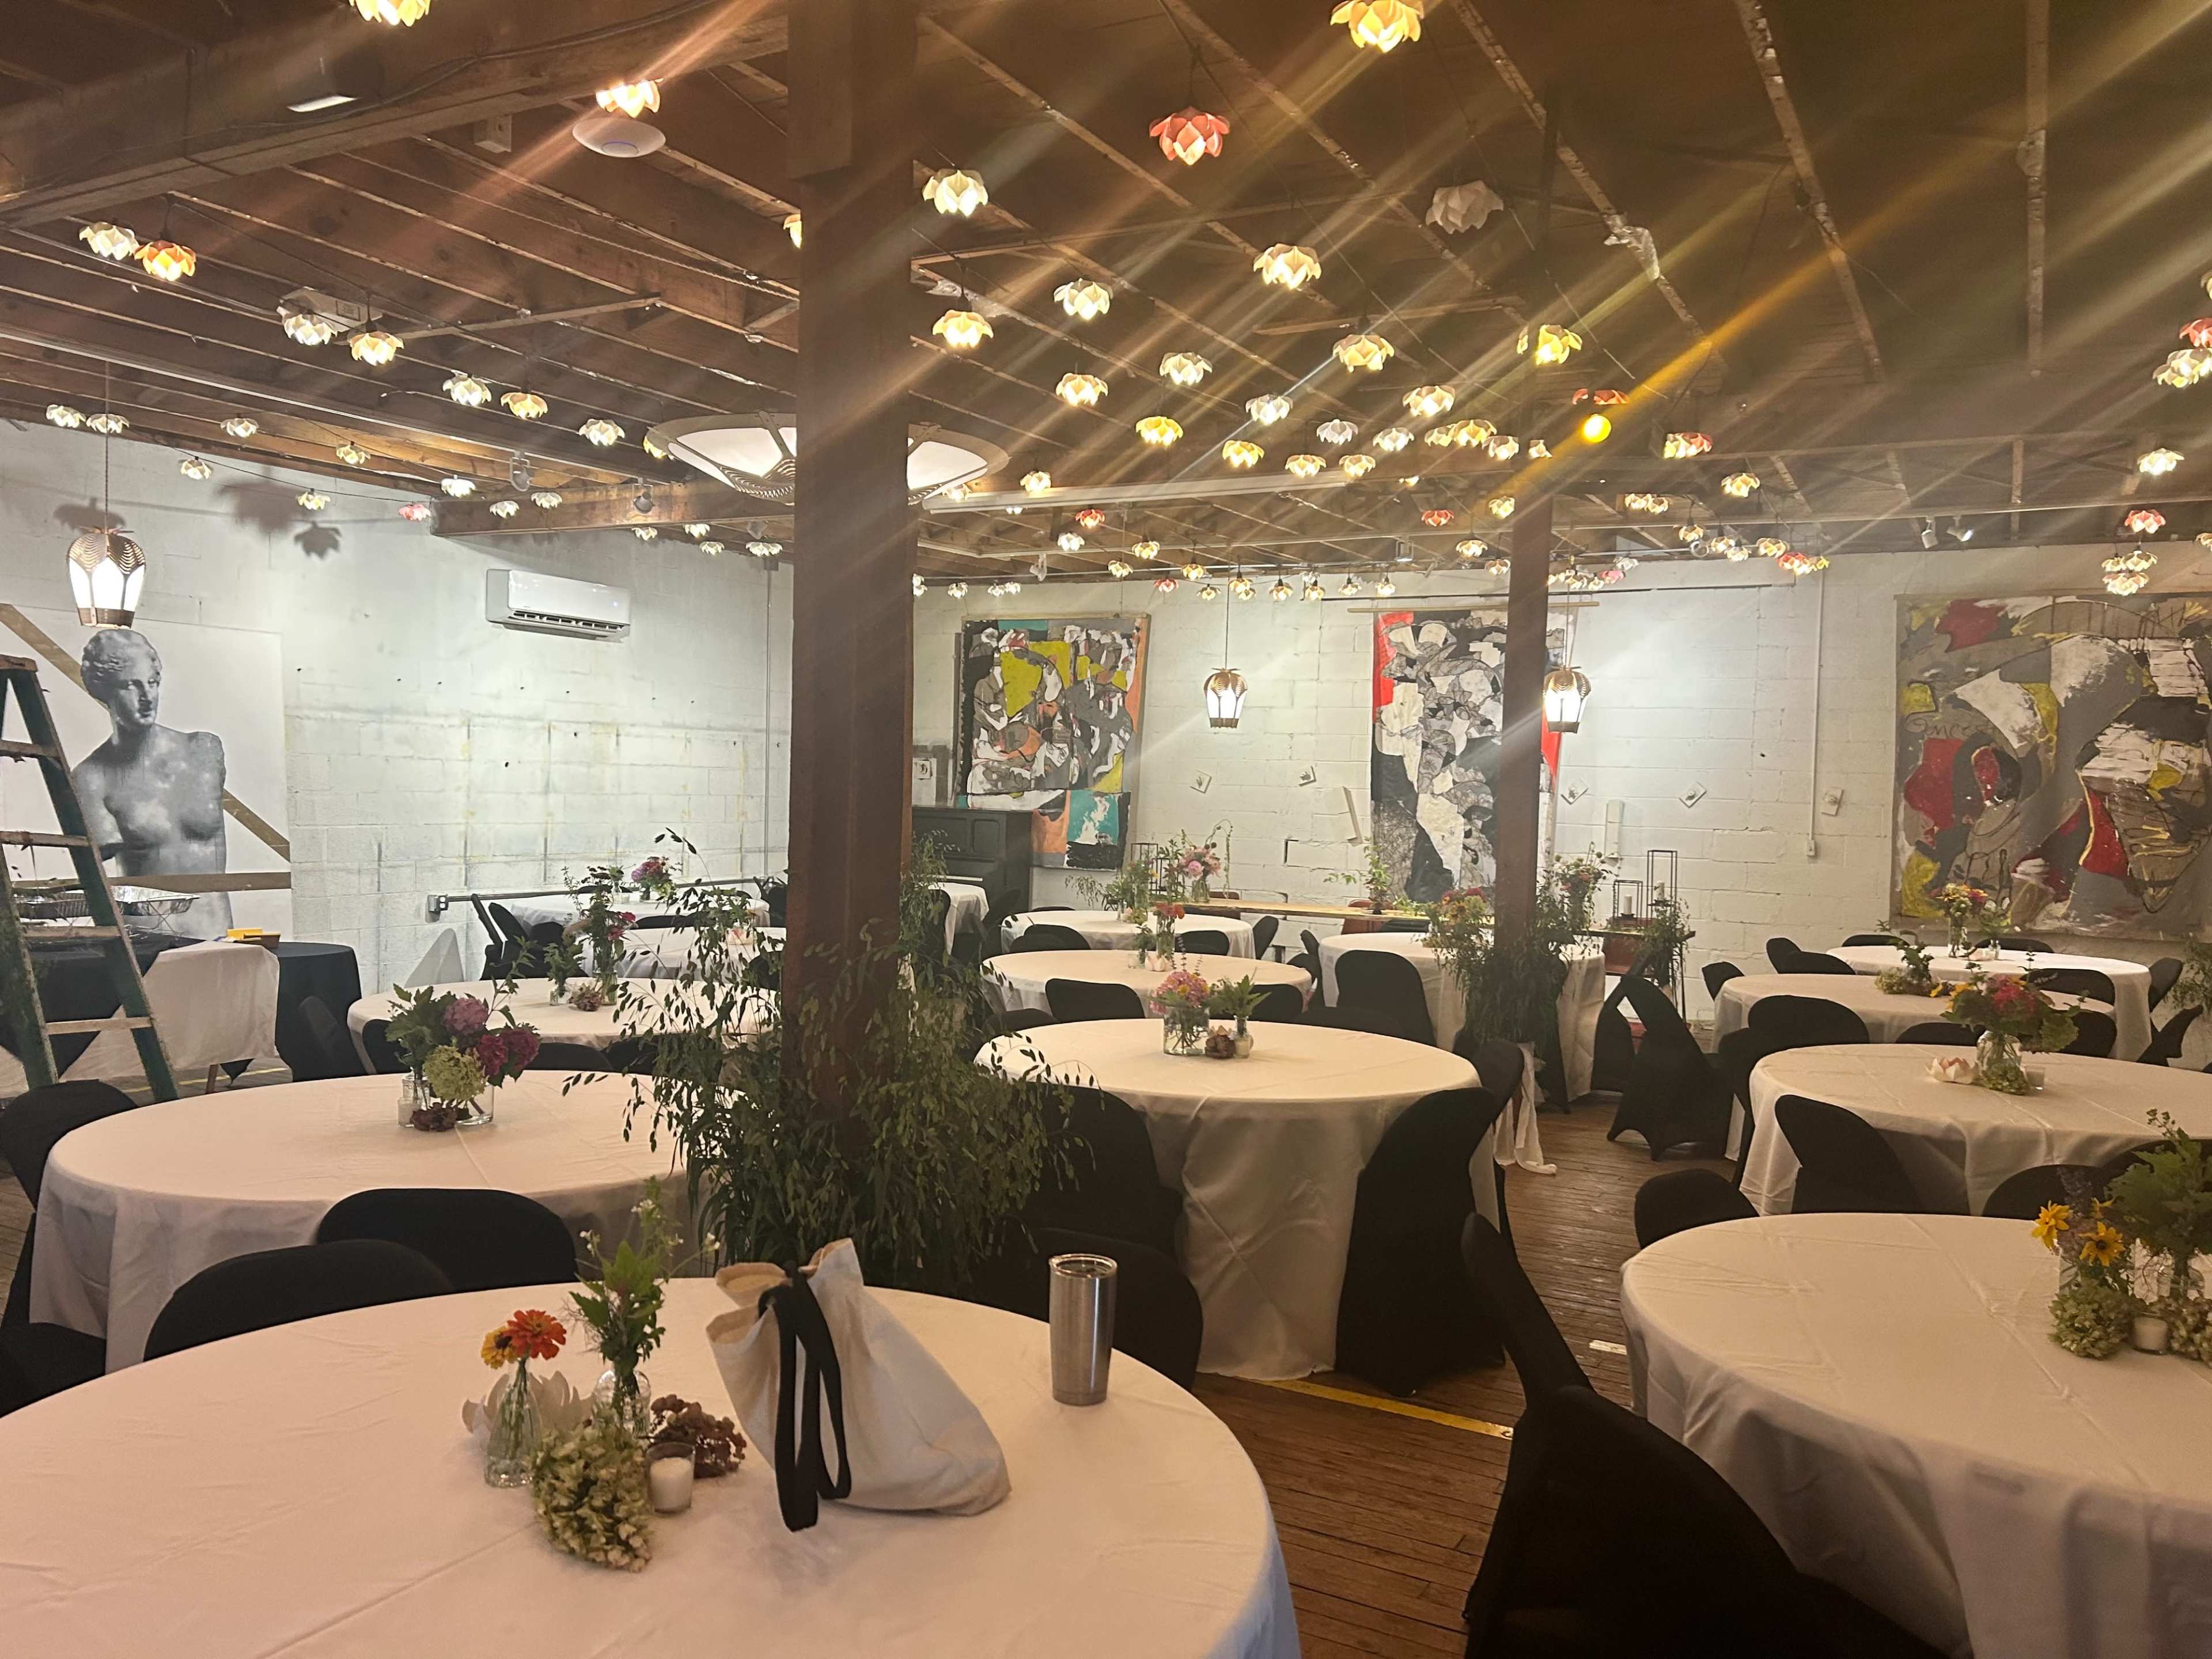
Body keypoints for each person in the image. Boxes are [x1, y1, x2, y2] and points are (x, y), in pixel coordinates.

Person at [71, 628, 231, 938]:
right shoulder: (92, 777)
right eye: (131, 686)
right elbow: (97, 862)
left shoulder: (203, 751)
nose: (147, 697)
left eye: (153, 683)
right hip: (146, 938)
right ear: (104, 691)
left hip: (216, 931)